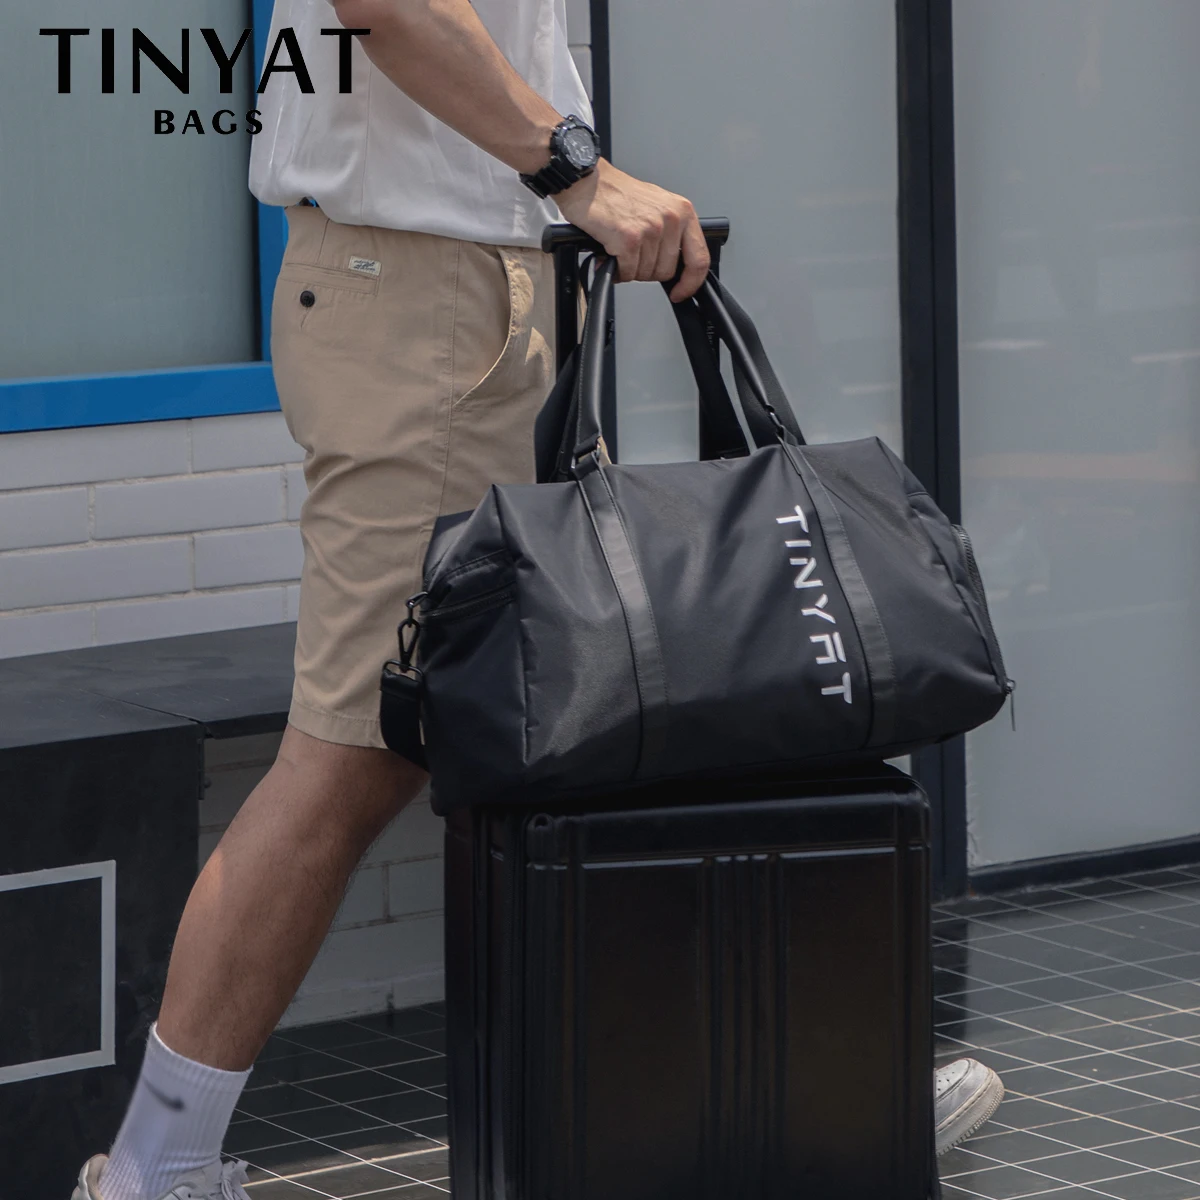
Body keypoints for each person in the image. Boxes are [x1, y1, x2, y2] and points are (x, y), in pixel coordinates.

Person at [72, 1, 1002, 1196]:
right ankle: (157, 1166)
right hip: (426, 301)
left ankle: (802, 1084)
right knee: (357, 749)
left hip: (486, 298)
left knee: (613, 701)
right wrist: (580, 174)